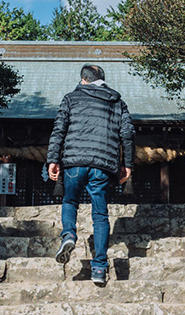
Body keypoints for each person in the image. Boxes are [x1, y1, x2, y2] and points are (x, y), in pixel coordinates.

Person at [46, 63, 134, 286]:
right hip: (104, 164)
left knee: (70, 200)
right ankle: (99, 267)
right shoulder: (117, 102)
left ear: (83, 79)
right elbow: (128, 135)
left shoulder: (70, 98)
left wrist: (53, 160)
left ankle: (69, 235)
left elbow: (59, 130)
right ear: (102, 79)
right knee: (100, 215)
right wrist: (128, 164)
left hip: (74, 161)